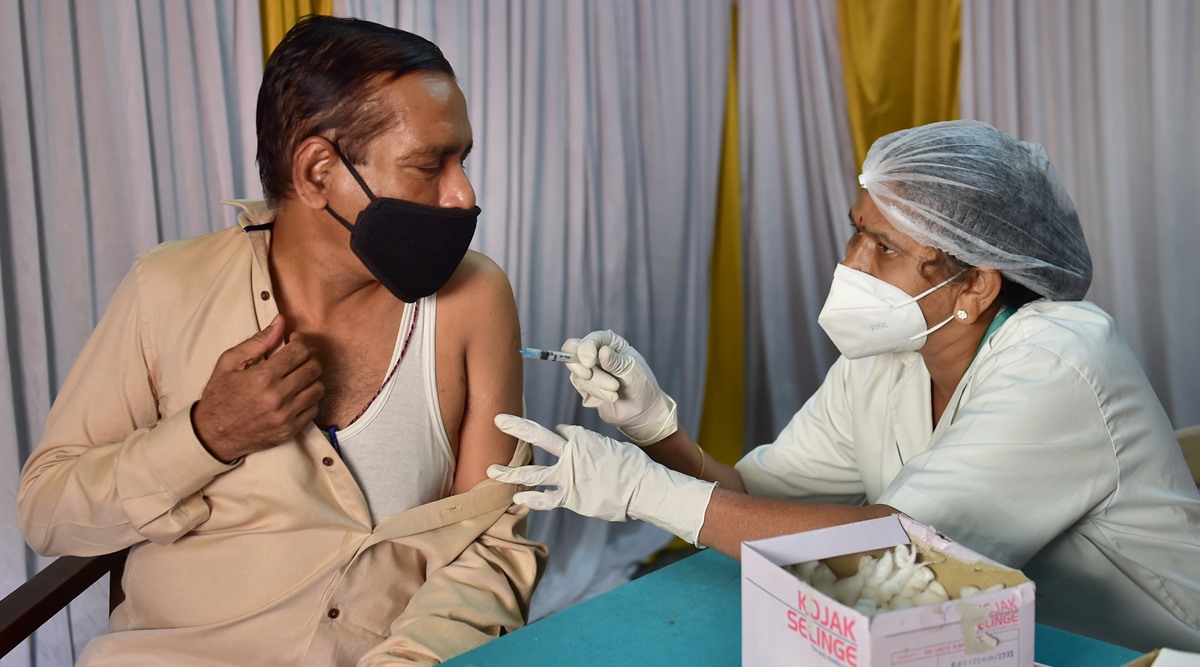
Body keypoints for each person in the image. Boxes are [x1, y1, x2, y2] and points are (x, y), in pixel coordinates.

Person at [488, 120, 1200, 652]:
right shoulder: (886, 359)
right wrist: (655, 428)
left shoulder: (1062, 360)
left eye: (884, 248)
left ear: (977, 284)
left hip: (1143, 651)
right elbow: (754, 499)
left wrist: (645, 492)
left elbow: (900, 548)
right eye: (856, 232)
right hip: (1000, 645)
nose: (851, 264)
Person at [17, 15, 545, 666]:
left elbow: (492, 539)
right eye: (429, 164)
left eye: (463, 159)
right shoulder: (166, 290)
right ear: (318, 171)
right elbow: (47, 510)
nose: (465, 194)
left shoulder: (475, 298)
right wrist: (206, 436)